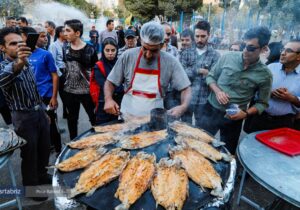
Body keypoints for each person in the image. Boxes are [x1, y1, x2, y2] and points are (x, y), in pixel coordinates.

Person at [197, 26, 272, 154]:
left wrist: (246, 114)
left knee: (227, 152)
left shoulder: (265, 74)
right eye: (244, 45)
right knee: (199, 144)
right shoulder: (228, 57)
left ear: (264, 49)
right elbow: (210, 77)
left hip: (234, 118)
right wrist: (217, 91)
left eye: (251, 48)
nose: (245, 51)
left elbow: (263, 103)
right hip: (211, 110)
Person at [0, 27, 50, 199]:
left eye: (20, 43)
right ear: (2, 48)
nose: (18, 46)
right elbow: (5, 77)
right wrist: (20, 62)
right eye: (12, 44)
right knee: (29, 153)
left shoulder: (26, 62)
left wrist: (44, 111)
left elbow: (34, 89)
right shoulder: (4, 67)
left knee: (44, 149)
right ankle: (32, 189)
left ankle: (42, 177)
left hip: (38, 112)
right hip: (23, 117)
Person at [104, 21, 191, 117]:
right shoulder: (128, 56)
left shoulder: (170, 62)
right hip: (128, 117)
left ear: (162, 45)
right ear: (140, 41)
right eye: (145, 48)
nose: (148, 54)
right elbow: (110, 82)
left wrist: (183, 106)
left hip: (156, 121)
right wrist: (108, 99)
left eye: (154, 50)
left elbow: (186, 88)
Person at [244, 39, 300, 132]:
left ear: (299, 56)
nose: (283, 53)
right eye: (283, 49)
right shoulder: (270, 68)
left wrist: (292, 98)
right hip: (260, 117)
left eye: (289, 51)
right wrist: (268, 94)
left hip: (284, 123)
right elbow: (254, 91)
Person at [22, 26, 62, 154]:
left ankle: (59, 150)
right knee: (37, 126)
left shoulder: (45, 54)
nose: (45, 39)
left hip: (46, 95)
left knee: (51, 125)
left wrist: (54, 97)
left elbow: (54, 75)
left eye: (45, 36)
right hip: (31, 99)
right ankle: (46, 146)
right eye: (42, 36)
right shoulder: (20, 56)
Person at [63, 19, 97, 140]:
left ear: (77, 33)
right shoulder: (65, 47)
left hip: (87, 92)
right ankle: (74, 142)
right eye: (64, 30)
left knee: (93, 118)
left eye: (68, 30)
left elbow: (95, 70)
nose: (65, 33)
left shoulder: (90, 49)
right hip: (69, 91)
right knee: (72, 120)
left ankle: (98, 140)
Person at [193, 20, 220, 126]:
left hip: (205, 101)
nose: (199, 39)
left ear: (209, 35)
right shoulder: (186, 52)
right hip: (187, 99)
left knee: (200, 130)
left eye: (203, 36)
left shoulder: (215, 55)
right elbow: (182, 73)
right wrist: (200, 71)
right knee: (184, 128)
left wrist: (208, 74)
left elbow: (215, 77)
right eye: (197, 36)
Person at [90, 38, 123, 124]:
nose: (110, 53)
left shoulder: (121, 63)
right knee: (104, 131)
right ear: (103, 50)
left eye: (113, 50)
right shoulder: (98, 66)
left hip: (120, 102)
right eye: (107, 50)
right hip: (104, 103)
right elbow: (104, 84)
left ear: (117, 50)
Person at [178, 29, 198, 124]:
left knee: (186, 120)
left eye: (187, 40)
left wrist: (178, 72)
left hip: (189, 92)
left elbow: (193, 71)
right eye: (182, 40)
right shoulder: (182, 51)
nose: (184, 42)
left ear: (192, 40)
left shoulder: (193, 52)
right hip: (180, 90)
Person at [49, 26, 68, 119]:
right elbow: (52, 62)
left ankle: (66, 112)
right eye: (65, 31)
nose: (67, 33)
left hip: (68, 72)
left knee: (68, 94)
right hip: (60, 73)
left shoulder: (67, 44)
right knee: (63, 94)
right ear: (60, 33)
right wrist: (59, 74)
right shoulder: (54, 45)